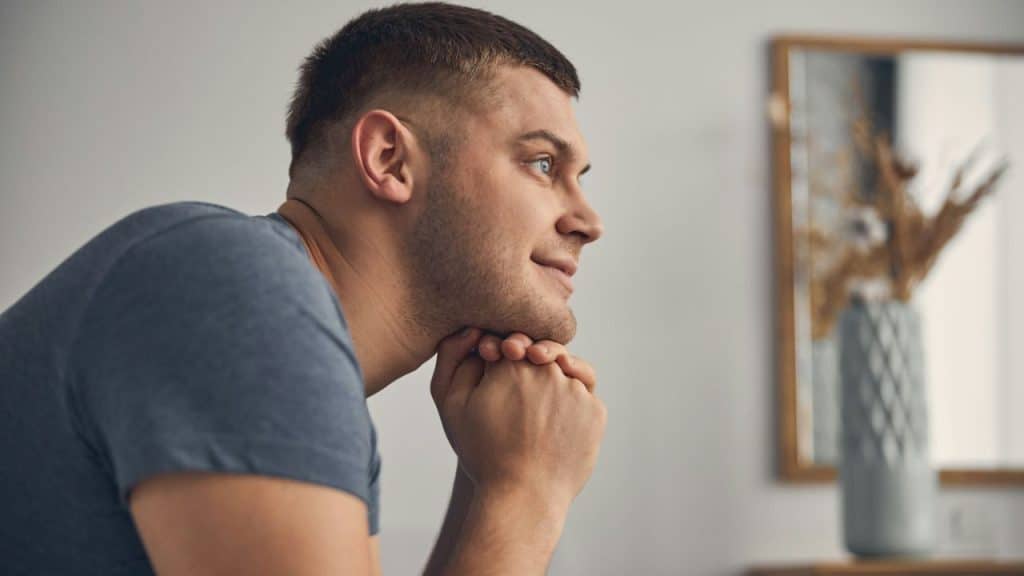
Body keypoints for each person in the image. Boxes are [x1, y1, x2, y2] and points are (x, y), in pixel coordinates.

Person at [0, 2, 605, 574]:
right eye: (543, 164)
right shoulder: (235, 288)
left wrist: (489, 483)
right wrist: (527, 497)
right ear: (389, 158)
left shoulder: (279, 335)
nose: (589, 221)